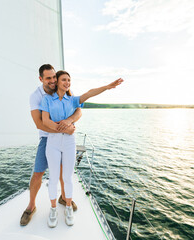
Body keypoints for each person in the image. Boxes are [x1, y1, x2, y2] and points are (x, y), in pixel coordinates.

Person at [40, 70, 123, 227]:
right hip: (53, 141)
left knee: (67, 177)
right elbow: (45, 121)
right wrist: (66, 127)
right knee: (53, 177)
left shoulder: (72, 100)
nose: (67, 82)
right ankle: (52, 209)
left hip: (69, 142)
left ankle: (69, 207)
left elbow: (90, 93)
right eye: (64, 79)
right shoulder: (47, 100)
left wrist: (107, 86)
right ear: (57, 81)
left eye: (69, 80)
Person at [20, 64, 82, 226]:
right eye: (48, 78)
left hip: (65, 138)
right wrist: (65, 130)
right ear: (41, 79)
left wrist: (69, 122)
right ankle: (31, 206)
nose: (53, 81)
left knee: (63, 173)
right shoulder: (36, 96)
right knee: (38, 172)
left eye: (54, 77)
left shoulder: (63, 88)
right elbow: (39, 124)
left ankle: (63, 198)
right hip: (47, 138)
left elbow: (78, 111)